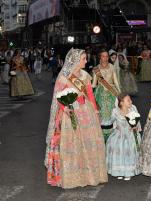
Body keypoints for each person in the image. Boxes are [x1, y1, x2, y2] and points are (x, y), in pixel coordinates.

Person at [45, 48, 108, 189]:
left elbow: (90, 95)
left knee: (89, 141)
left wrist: (96, 111)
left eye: (86, 58)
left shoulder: (85, 75)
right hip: (71, 112)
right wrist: (64, 108)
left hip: (86, 111)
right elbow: (58, 96)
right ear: (75, 61)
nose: (86, 61)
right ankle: (74, 176)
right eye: (83, 59)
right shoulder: (64, 76)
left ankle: (91, 174)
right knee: (74, 143)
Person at [106, 94, 141, 181]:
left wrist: (135, 127)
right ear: (121, 102)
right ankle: (120, 171)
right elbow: (110, 121)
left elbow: (137, 122)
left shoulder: (133, 109)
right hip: (119, 134)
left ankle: (128, 172)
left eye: (130, 100)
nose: (131, 102)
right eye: (128, 100)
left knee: (128, 151)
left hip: (130, 135)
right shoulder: (115, 111)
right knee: (118, 151)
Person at [92, 50, 121, 142]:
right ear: (100, 57)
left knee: (113, 112)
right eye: (103, 56)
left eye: (107, 56)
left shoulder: (112, 67)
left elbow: (116, 81)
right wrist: (90, 95)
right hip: (100, 93)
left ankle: (112, 134)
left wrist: (120, 94)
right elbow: (93, 84)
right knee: (101, 113)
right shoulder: (96, 69)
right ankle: (101, 134)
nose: (105, 58)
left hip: (111, 92)